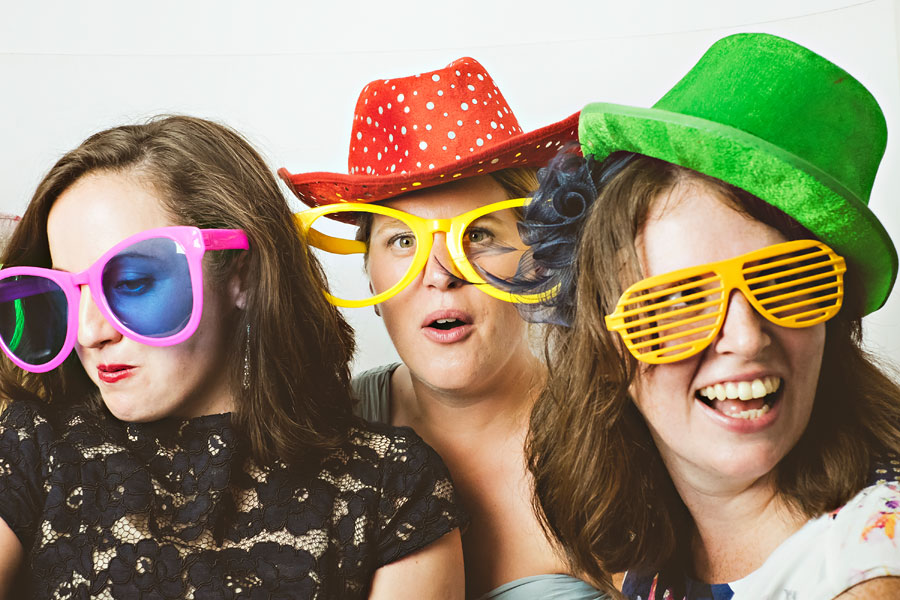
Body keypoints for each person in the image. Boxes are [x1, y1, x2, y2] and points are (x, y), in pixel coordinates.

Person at [0, 115, 466, 599]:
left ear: (241, 274)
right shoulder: (30, 449)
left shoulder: (393, 485)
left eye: (133, 283)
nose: (91, 332)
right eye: (68, 293)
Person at [510, 33, 900, 599]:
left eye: (789, 280)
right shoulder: (657, 542)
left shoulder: (868, 573)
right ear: (604, 343)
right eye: (678, 299)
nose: (745, 338)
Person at [280, 58, 606, 599]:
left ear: (539, 258)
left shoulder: (617, 423)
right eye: (403, 241)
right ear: (369, 272)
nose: (441, 274)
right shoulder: (316, 435)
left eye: (477, 234)